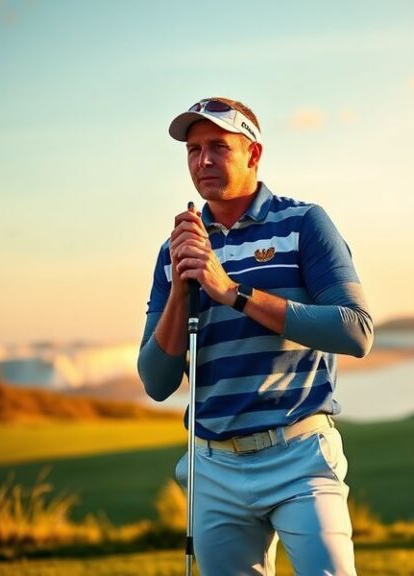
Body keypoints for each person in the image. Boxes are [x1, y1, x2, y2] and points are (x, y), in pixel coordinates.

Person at [137, 96, 373, 575]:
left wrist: (231, 291)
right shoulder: (176, 247)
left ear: (253, 154)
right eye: (193, 148)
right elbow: (156, 382)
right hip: (213, 464)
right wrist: (184, 292)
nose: (202, 160)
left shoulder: (304, 224)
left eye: (218, 146)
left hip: (300, 454)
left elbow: (355, 330)